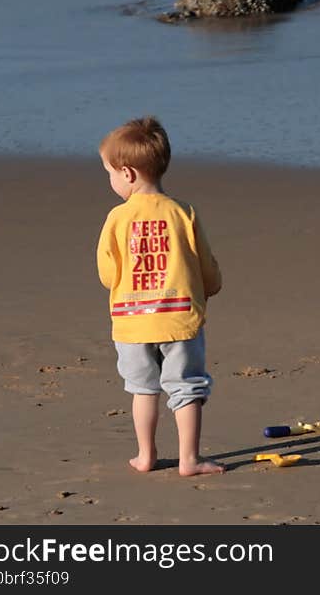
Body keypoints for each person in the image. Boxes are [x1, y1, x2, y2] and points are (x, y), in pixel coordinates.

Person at [96, 116, 225, 476]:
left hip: (132, 321)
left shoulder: (117, 219)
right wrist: (211, 287)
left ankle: (145, 454)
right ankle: (189, 459)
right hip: (179, 317)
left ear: (128, 174)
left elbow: (108, 273)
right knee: (186, 389)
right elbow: (205, 264)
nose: (110, 181)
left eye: (109, 173)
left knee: (143, 389)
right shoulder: (183, 212)